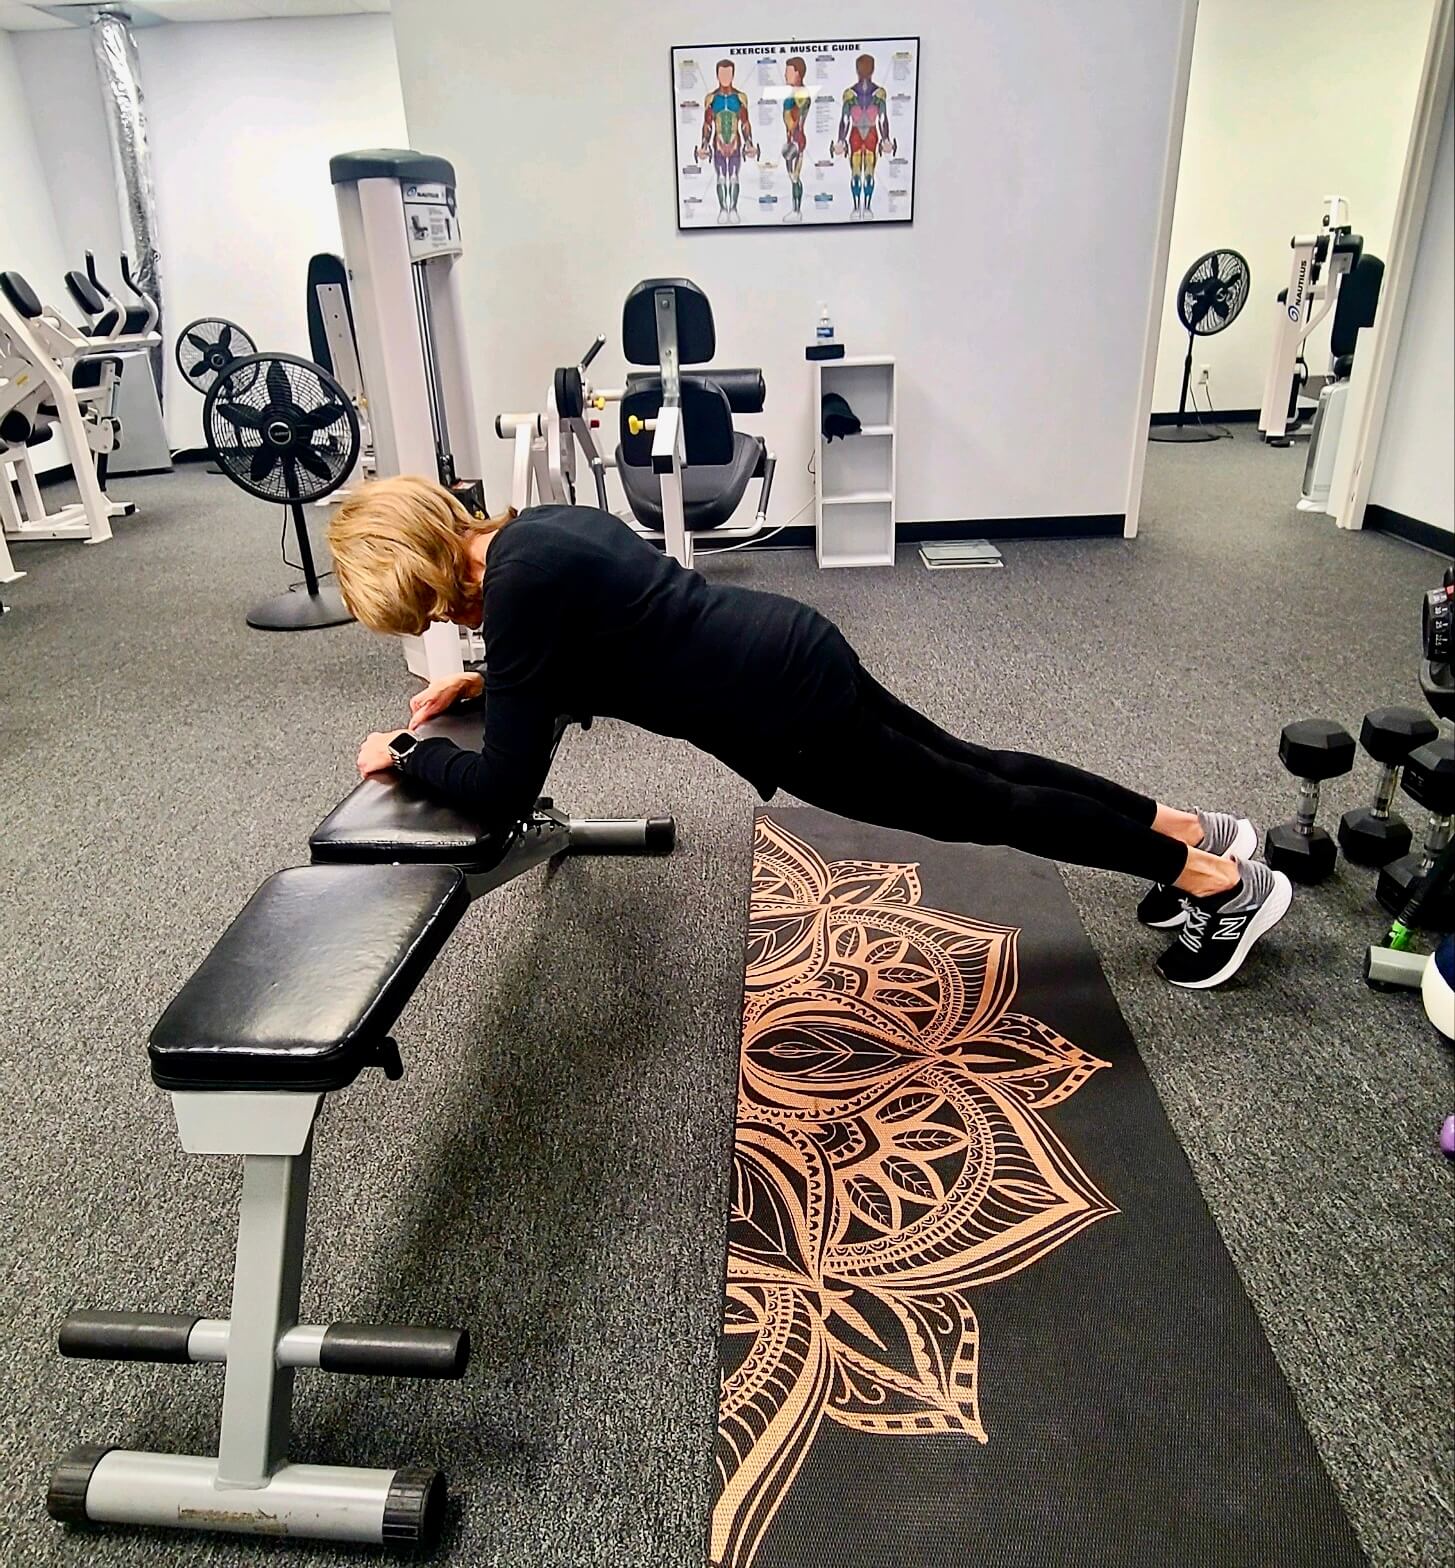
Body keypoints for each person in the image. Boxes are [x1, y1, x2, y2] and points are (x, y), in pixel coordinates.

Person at [328, 478, 1291, 989]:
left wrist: (408, 753)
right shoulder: (532, 531)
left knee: (982, 807)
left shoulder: (518, 594)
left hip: (782, 713)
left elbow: (500, 786)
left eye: (414, 614)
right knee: (980, 768)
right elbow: (604, 646)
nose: (424, 629)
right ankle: (1188, 829)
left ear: (417, 566)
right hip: (790, 648)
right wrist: (485, 677)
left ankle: (1213, 883)